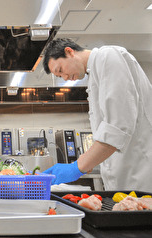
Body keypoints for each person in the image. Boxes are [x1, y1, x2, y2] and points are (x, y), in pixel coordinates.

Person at [42, 38, 152, 192]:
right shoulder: (94, 76)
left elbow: (117, 127)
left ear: (69, 51)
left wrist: (77, 167)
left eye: (60, 70)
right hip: (123, 182)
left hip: (141, 176)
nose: (65, 78)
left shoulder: (109, 56)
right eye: (60, 77)